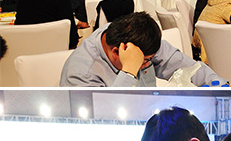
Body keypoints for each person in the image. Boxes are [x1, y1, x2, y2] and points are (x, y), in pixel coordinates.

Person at [60, 11, 220, 87]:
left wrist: (219, 85)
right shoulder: (81, 74)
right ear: (116, 52)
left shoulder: (138, 39)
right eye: (144, 61)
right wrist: (129, 71)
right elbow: (107, 115)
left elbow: (186, 66)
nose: (147, 64)